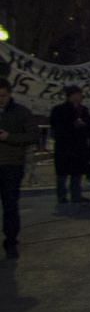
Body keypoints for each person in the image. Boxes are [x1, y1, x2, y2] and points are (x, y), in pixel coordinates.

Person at [0, 78, 31, 259]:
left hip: (12, 165)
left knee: (10, 206)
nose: (0, 99)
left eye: (3, 96)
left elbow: (32, 134)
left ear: (10, 94)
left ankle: (11, 241)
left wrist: (9, 137)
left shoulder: (21, 112)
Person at [48, 86, 90, 207]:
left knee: (77, 173)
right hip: (64, 145)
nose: (80, 97)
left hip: (79, 145)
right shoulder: (59, 109)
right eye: (78, 94)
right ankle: (62, 196)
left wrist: (85, 126)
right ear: (71, 95)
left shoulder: (84, 110)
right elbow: (56, 126)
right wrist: (72, 125)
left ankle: (76, 195)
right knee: (62, 174)